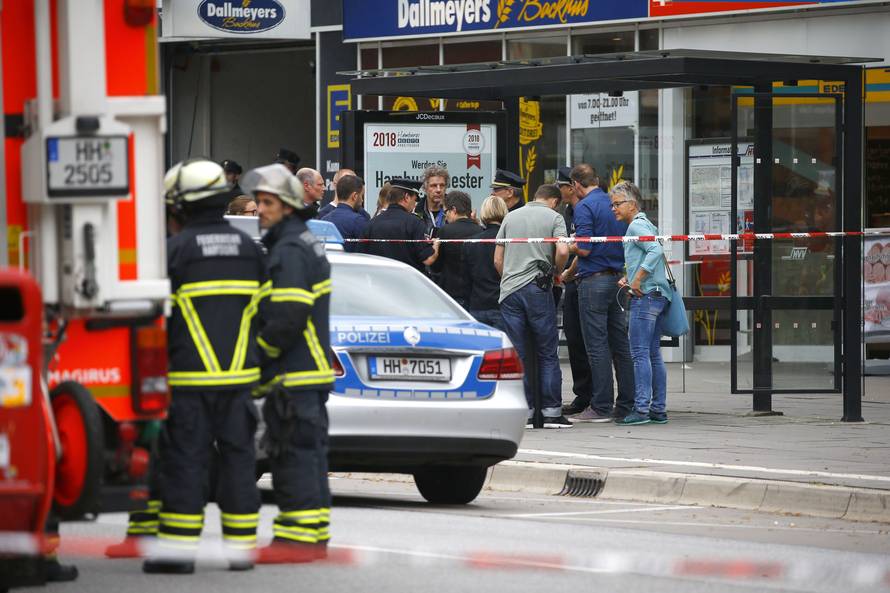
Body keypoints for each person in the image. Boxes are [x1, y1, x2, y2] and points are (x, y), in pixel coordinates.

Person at [142, 159, 264, 574]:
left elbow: (154, 322)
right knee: (238, 461)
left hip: (188, 381)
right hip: (240, 382)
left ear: (180, 206)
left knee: (186, 462)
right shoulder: (252, 251)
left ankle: (177, 555)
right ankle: (240, 550)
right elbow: (265, 315)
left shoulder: (172, 253)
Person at [241, 164, 333, 564]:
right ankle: (309, 537)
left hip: (296, 372)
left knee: (294, 456)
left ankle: (295, 542)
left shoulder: (290, 249)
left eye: (267, 202)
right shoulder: (301, 241)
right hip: (306, 372)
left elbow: (288, 317)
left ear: (288, 206)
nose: (260, 209)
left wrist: (257, 356)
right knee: (307, 456)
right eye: (258, 201)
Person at [494, 184, 571, 429]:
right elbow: (562, 249)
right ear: (554, 201)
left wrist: (509, 277)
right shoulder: (555, 217)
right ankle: (551, 413)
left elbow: (497, 259)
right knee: (547, 352)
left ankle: (525, 413)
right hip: (538, 289)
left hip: (510, 292)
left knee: (519, 353)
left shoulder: (510, 216)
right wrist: (557, 271)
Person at [569, 164, 635, 423]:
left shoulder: (584, 207)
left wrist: (568, 244)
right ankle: (627, 402)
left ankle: (601, 406)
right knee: (620, 344)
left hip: (594, 280)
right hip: (617, 280)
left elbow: (584, 248)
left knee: (596, 345)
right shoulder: (612, 204)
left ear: (576, 184)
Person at [611, 181, 672, 425]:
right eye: (612, 204)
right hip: (658, 295)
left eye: (617, 204)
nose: (613, 209)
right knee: (653, 354)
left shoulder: (636, 225)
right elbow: (651, 254)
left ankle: (641, 409)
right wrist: (631, 275)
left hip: (645, 297)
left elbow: (655, 250)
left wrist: (636, 279)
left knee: (638, 353)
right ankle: (658, 409)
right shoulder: (645, 224)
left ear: (632, 204)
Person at [555, 166, 593, 417]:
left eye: (561, 187)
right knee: (575, 338)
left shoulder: (584, 210)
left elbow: (583, 247)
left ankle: (594, 394)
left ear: (571, 187)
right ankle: (583, 394)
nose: (559, 192)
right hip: (570, 280)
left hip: (582, 276)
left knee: (591, 341)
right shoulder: (566, 212)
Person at [360, 178, 439, 272]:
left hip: (379, 283)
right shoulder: (415, 222)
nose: (415, 204)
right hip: (408, 282)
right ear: (406, 197)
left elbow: (361, 258)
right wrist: (436, 244)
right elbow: (428, 259)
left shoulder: (371, 224)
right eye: (414, 199)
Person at [463, 195, 508, 331]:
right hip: (502, 304)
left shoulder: (471, 242)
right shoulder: (509, 241)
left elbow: (465, 277)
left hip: (477, 304)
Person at [431, 190, 479, 308]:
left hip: (450, 291)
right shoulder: (479, 230)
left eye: (446, 211)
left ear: (454, 210)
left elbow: (436, 266)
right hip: (473, 293)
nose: (445, 216)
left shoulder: (444, 231)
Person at [321, 174, 368, 252]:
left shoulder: (324, 220)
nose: (362, 200)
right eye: (361, 196)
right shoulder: (358, 221)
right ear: (355, 196)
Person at [416, 165, 448, 237]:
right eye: (433, 185)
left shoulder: (454, 210)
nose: (438, 190)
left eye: (442, 185)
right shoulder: (415, 212)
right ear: (425, 188)